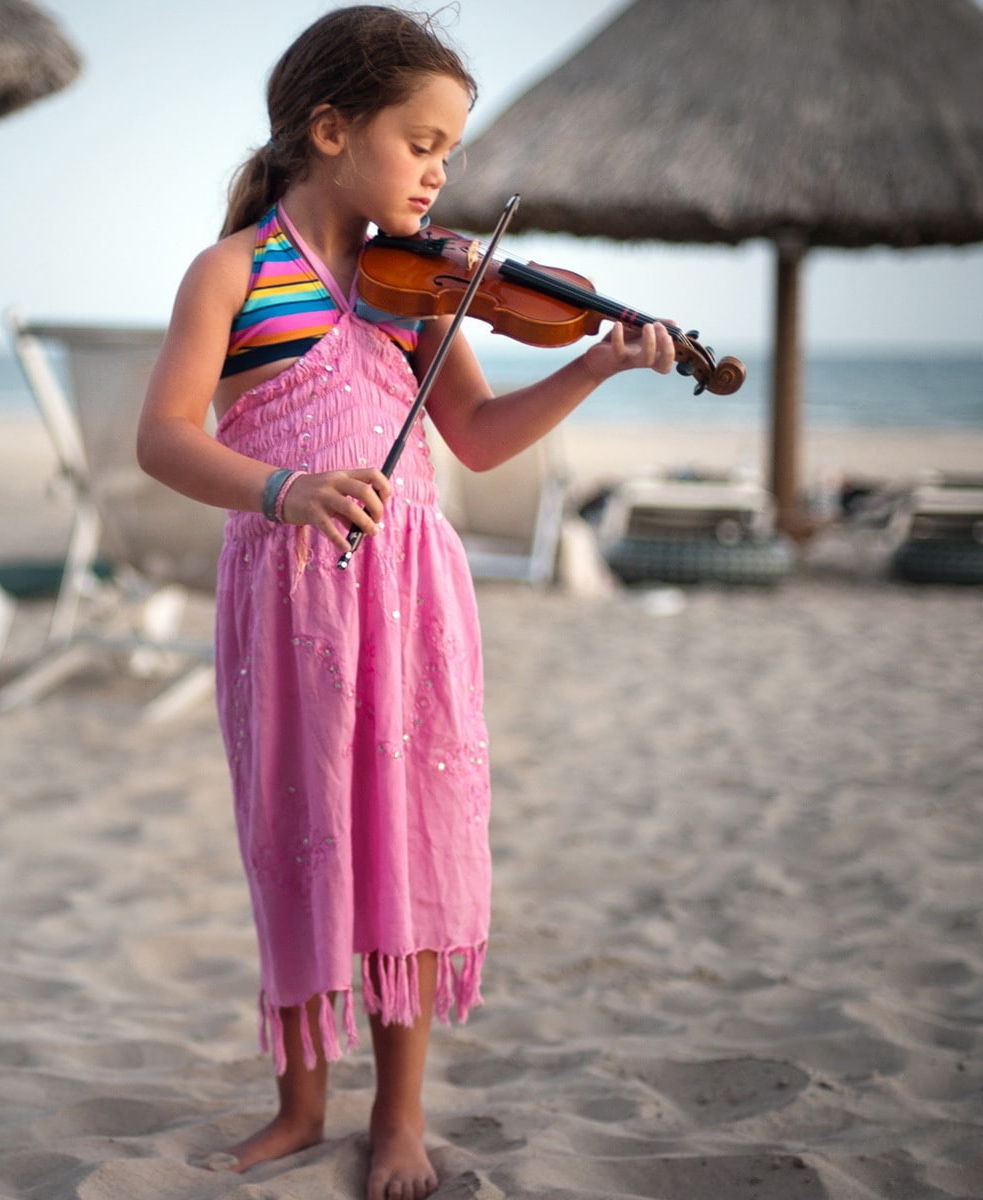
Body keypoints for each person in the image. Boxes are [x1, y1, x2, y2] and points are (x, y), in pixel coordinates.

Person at [135, 7, 675, 1197]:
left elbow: (475, 436)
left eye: (449, 152)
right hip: (288, 600)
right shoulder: (235, 272)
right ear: (332, 130)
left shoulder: (422, 289)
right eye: (420, 143)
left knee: (410, 840)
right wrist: (283, 489)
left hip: (411, 600)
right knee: (295, 836)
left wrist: (590, 363)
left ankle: (400, 1116)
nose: (438, 173)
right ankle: (299, 1104)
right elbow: (163, 438)